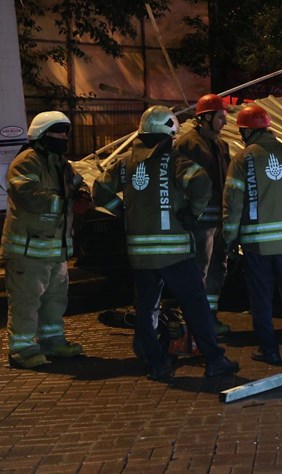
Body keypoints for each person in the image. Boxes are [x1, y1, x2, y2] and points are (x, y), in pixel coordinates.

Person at [92, 105, 239, 381]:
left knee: (147, 308)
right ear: (170, 131)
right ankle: (214, 360)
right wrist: (191, 213)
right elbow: (201, 183)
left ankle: (157, 363)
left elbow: (99, 191)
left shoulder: (124, 163)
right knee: (195, 305)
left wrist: (121, 209)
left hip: (140, 254)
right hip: (175, 253)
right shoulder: (173, 160)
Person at [222, 104, 282, 365]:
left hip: (257, 244)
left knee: (261, 297)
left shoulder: (243, 159)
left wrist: (229, 238)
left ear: (246, 132)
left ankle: (270, 350)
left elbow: (233, 203)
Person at [2, 112, 86, 369]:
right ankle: (22, 350)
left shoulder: (61, 163)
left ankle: (53, 342)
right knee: (26, 300)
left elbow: (78, 183)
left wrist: (82, 193)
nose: (63, 137)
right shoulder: (26, 162)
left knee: (54, 299)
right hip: (29, 249)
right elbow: (30, 195)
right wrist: (69, 203)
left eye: (65, 132)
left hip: (53, 249)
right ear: (41, 135)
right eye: (58, 132)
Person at [175, 93, 232, 335]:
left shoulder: (220, 145)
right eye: (220, 117)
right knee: (198, 270)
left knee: (218, 267)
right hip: (198, 221)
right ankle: (194, 320)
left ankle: (209, 317)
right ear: (206, 117)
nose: (225, 123)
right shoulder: (186, 144)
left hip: (218, 219)